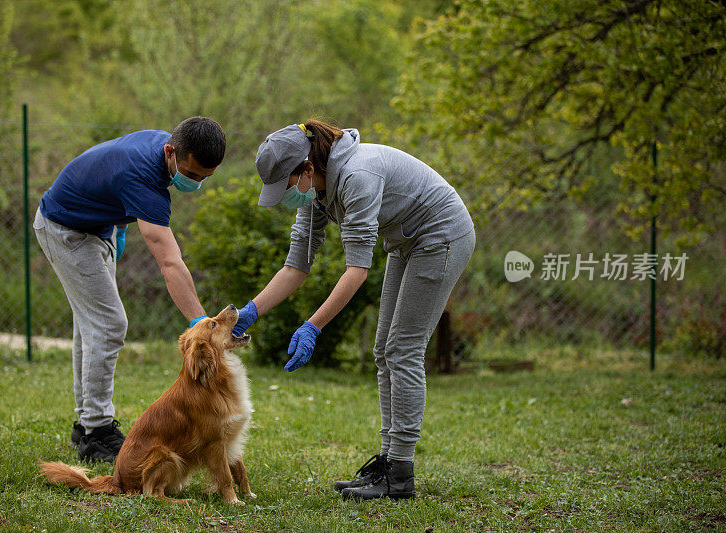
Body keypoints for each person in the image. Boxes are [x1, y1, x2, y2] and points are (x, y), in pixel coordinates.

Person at [231, 119, 475, 500]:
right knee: (384, 352)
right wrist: (251, 311)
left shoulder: (357, 177)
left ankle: (400, 475)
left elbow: (357, 271)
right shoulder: (316, 192)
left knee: (404, 351)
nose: (286, 196)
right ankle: (388, 463)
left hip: (441, 234)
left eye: (287, 185)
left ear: (308, 169)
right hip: (407, 240)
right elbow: (296, 265)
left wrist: (313, 325)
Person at [33, 117, 225, 462]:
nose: (196, 183)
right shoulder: (144, 180)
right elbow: (169, 261)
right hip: (65, 229)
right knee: (108, 324)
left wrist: (115, 229)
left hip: (96, 228)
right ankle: (96, 432)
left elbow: (109, 174)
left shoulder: (161, 147)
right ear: (171, 152)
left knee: (90, 325)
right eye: (193, 175)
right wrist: (201, 322)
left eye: (205, 178)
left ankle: (86, 425)